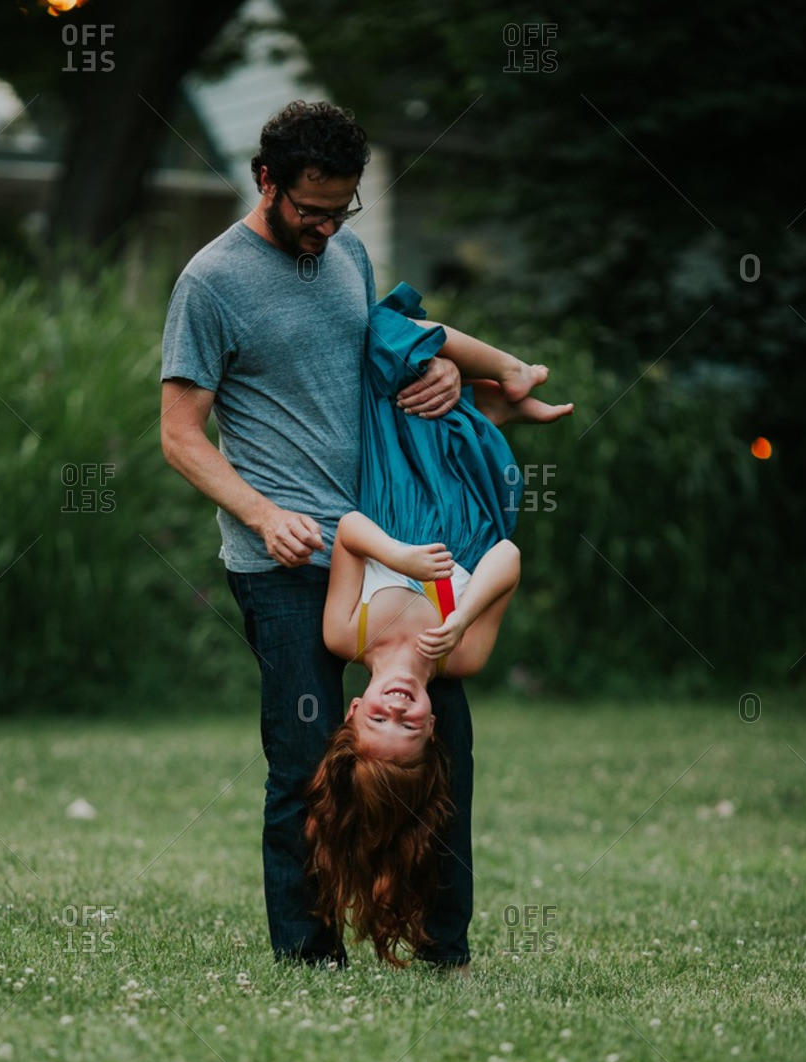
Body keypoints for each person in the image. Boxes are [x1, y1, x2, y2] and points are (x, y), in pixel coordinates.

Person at [160, 101, 552, 970]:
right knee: (304, 757)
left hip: (399, 537)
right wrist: (263, 513)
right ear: (268, 181)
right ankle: (310, 955)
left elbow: (379, 356)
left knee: (444, 747)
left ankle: (444, 949)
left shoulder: (345, 256)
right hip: (284, 560)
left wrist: (446, 371)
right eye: (312, 209)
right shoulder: (210, 283)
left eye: (343, 209)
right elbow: (180, 436)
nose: (327, 227)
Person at [304, 284, 573, 966]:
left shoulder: (349, 636)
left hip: (392, 481)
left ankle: (506, 380)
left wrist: (394, 555)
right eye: (409, 729)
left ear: (355, 709)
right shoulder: (461, 658)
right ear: (431, 728)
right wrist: (461, 619)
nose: (398, 712)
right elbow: (509, 557)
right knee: (430, 387)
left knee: (388, 333)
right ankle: (500, 401)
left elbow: (348, 532)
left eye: (378, 723)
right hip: (475, 492)